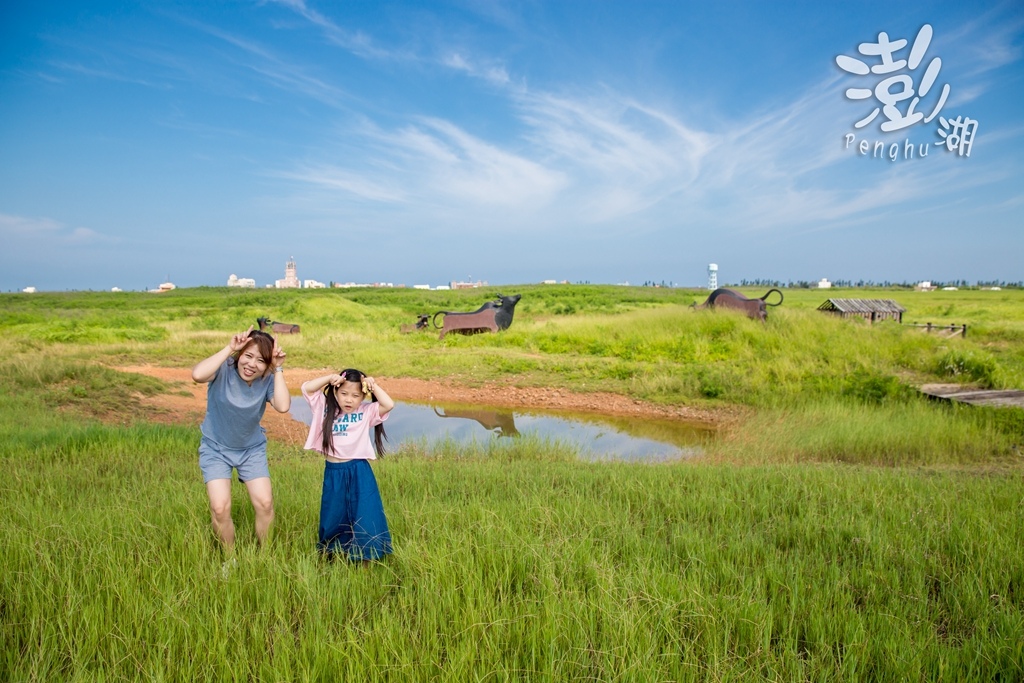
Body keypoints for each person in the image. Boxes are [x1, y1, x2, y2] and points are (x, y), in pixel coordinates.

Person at [191, 327, 290, 550]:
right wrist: (229, 348)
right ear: (240, 354)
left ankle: (264, 555)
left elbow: (283, 406)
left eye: (261, 360)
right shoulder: (223, 369)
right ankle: (230, 559)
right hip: (216, 449)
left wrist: (279, 368)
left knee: (265, 504)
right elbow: (197, 375)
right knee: (220, 508)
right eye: (248, 356)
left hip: (250, 450)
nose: (252, 365)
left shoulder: (267, 379)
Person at [301, 369, 394, 562]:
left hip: (359, 469)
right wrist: (329, 378)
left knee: (366, 510)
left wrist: (372, 385)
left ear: (363, 396)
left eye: (356, 395)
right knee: (334, 511)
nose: (349, 400)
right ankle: (333, 553)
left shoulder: (365, 412)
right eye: (344, 394)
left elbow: (388, 404)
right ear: (335, 392)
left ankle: (369, 554)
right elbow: (307, 388)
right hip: (334, 471)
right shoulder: (324, 408)